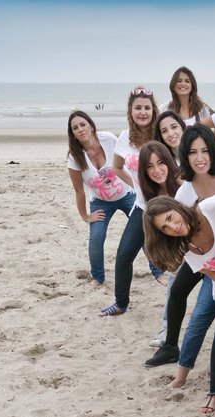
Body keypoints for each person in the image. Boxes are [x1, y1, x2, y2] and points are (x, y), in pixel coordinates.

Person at [145, 125, 215, 370]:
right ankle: (170, 346)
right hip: (203, 252)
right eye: (192, 153)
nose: (199, 158)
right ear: (184, 157)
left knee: (205, 312)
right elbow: (178, 232)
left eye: (204, 151)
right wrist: (208, 269)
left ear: (214, 150)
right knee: (177, 290)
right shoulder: (186, 191)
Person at [143, 194, 215, 413]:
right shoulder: (186, 248)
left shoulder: (214, 208)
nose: (173, 227)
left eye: (170, 218)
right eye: (165, 228)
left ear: (177, 207)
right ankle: (214, 392)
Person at [99, 86, 166, 317]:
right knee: (124, 255)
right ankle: (121, 303)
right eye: (138, 108)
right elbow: (117, 167)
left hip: (168, 206)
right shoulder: (125, 137)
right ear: (130, 111)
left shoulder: (161, 134)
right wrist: (137, 186)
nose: (143, 112)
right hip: (143, 207)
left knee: (177, 259)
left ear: (153, 110)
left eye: (147, 107)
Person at [67, 110, 135, 287]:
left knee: (143, 229)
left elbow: (127, 161)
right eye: (75, 128)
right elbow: (79, 190)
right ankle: (98, 277)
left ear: (91, 126)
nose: (80, 129)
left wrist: (138, 186)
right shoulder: (74, 157)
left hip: (126, 194)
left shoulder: (108, 139)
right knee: (96, 237)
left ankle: (157, 271)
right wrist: (85, 216)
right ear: (73, 134)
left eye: (83, 124)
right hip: (100, 202)